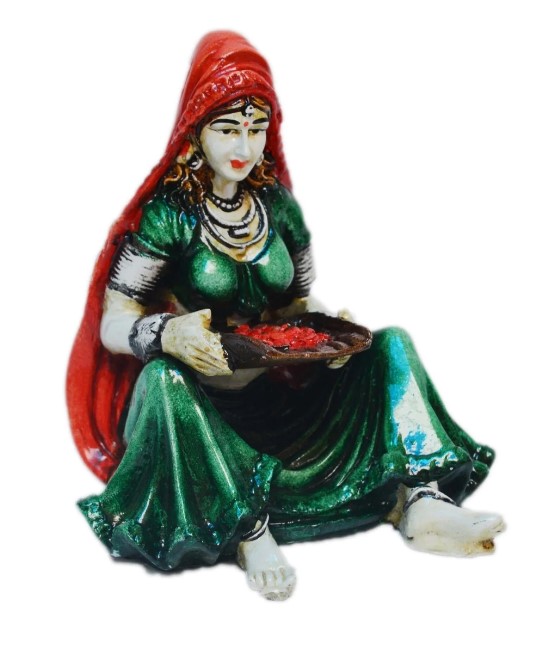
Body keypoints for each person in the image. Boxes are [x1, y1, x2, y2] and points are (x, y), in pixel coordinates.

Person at [67, 31, 504, 601]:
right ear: (196, 129)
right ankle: (246, 527)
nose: (244, 145)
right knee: (162, 381)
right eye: (228, 128)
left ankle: (420, 497)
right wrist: (166, 333)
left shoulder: (276, 206)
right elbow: (113, 322)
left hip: (277, 398)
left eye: (256, 128)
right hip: (201, 413)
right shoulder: (168, 216)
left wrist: (333, 335)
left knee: (390, 343)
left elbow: (297, 306)